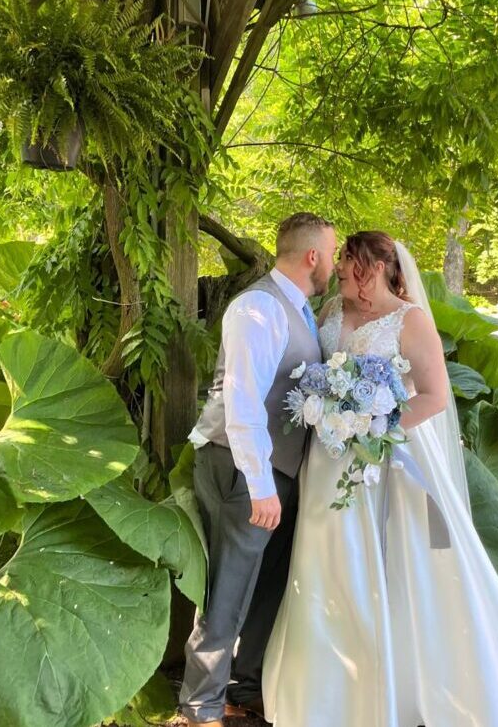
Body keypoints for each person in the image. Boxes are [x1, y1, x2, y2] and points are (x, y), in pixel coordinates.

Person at [262, 230, 498, 727]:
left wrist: (374, 427)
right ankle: (327, 690)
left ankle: (403, 685)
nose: (337, 266)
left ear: (374, 266)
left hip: (391, 458)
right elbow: (322, 372)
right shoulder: (333, 312)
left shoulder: (410, 320)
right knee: (328, 557)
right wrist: (334, 413)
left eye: (348, 259)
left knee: (400, 561)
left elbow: (434, 396)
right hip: (330, 458)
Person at [179, 212, 337, 726]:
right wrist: (260, 484)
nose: (333, 265)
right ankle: (199, 706)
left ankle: (246, 688)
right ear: (312, 255)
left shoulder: (302, 310)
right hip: (243, 469)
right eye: (331, 254)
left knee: (267, 586)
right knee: (227, 589)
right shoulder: (257, 309)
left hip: (277, 475)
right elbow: (243, 402)